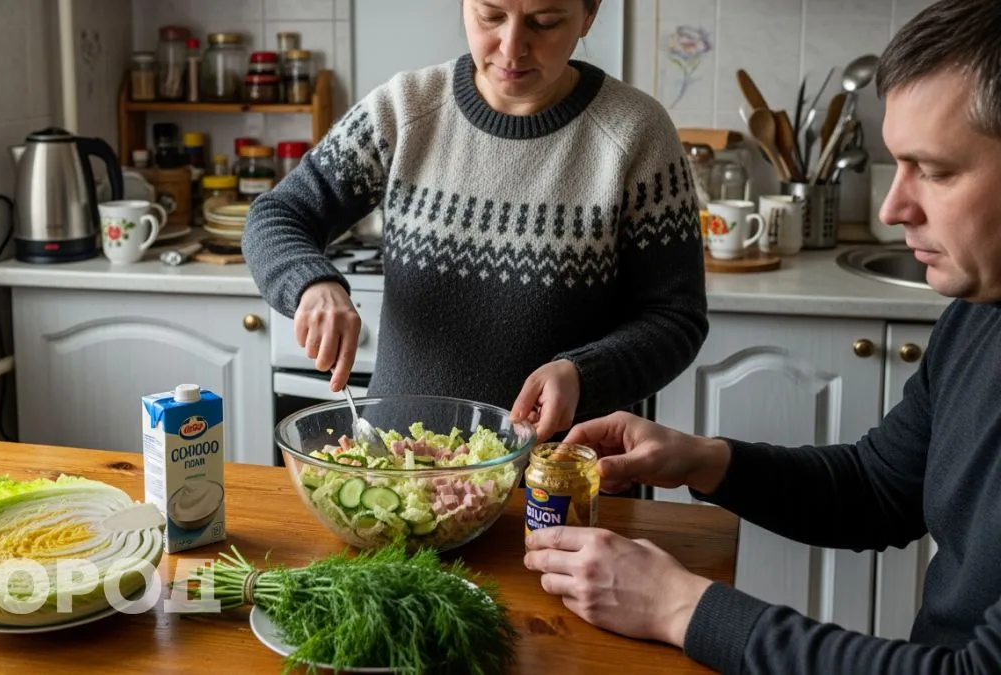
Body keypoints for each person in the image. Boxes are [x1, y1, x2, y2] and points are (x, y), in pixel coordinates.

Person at [522, 0, 1001, 671]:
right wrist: (701, 459)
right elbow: (878, 488)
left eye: (939, 171)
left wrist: (680, 607)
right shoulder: (981, 312)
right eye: (900, 166)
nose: (894, 209)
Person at [242, 0, 708, 442]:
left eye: (544, 23)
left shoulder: (635, 135)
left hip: (557, 483)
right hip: (398, 472)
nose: (510, 47)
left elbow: (675, 317)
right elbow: (278, 214)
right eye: (489, 15)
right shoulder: (404, 110)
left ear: (589, 15)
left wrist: (584, 374)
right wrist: (311, 283)